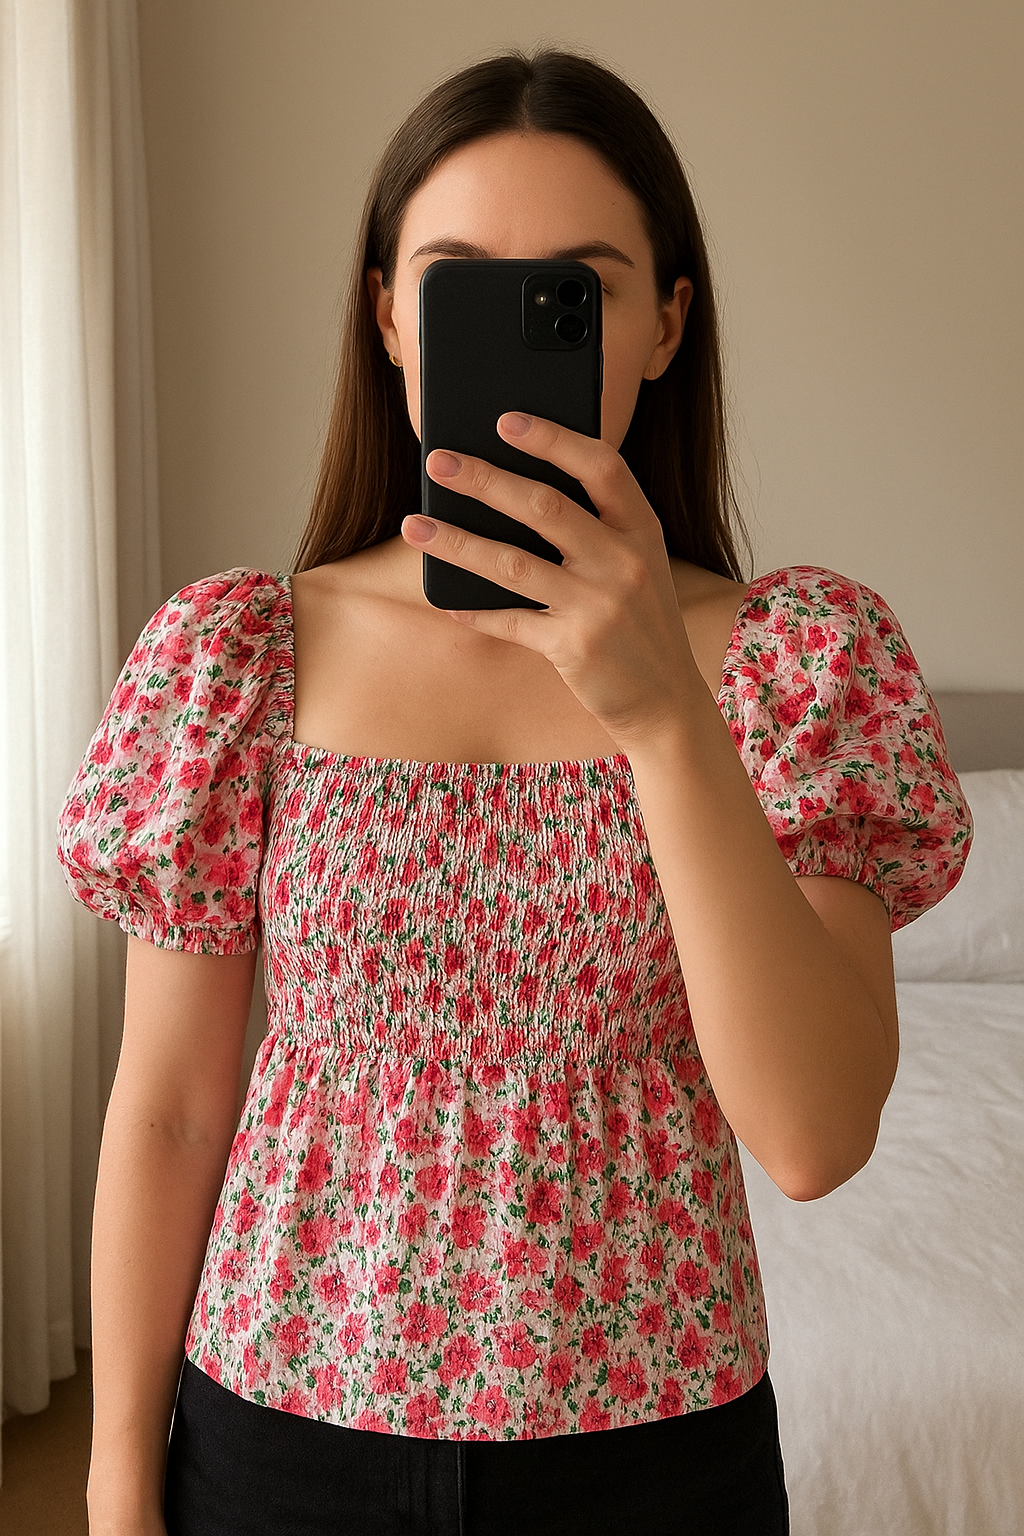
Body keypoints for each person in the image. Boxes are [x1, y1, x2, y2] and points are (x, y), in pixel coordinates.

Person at [57, 47, 973, 1536]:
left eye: (580, 290)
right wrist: (111, 1488)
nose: (521, 326)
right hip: (275, 1430)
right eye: (460, 282)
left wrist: (665, 715)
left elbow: (812, 1137)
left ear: (665, 325)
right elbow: (165, 1109)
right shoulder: (238, 659)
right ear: (390, 320)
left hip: (654, 1446)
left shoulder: (792, 667)